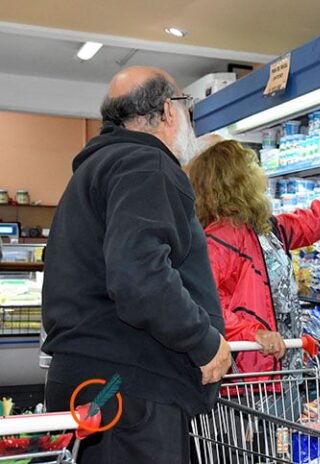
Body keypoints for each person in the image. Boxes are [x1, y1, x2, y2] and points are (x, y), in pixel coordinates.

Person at [42, 66, 231, 464]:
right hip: (129, 387)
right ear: (167, 110)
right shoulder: (148, 166)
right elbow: (139, 277)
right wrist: (204, 342)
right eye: (186, 106)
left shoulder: (93, 172)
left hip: (89, 383)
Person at [188, 141, 320, 424]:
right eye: (252, 166)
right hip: (248, 378)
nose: (260, 173)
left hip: (281, 371)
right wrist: (253, 333)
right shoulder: (220, 239)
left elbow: (316, 220)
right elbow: (202, 304)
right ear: (236, 179)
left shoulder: (266, 228)